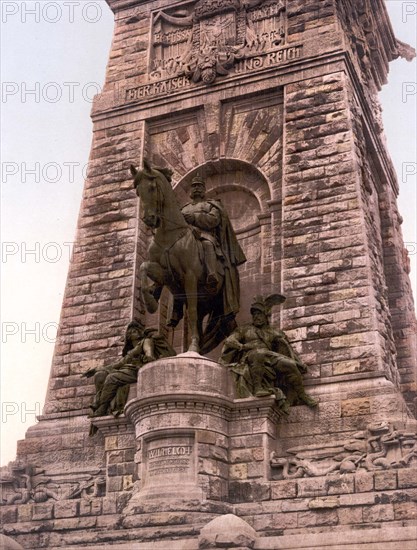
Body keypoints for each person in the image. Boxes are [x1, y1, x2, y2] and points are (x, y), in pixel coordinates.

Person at [220, 295, 318, 412]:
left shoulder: (274, 332)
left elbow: (286, 348)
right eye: (254, 314)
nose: (256, 317)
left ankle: (302, 395)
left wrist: (297, 362)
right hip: (250, 357)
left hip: (269, 357)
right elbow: (230, 341)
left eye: (259, 314)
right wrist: (242, 347)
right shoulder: (244, 329)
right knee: (258, 353)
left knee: (290, 364)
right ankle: (258, 388)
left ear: (266, 316)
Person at [83, 321, 176, 418]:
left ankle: (102, 407)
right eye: (133, 332)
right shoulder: (130, 351)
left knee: (112, 377)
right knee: (100, 375)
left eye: (136, 331)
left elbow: (149, 353)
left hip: (136, 370)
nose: (136, 332)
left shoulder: (145, 341)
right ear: (128, 336)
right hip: (126, 370)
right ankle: (97, 403)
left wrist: (146, 358)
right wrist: (96, 370)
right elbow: (118, 364)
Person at [181, 176, 246, 295]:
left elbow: (213, 220)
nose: (196, 188)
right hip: (184, 237)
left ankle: (212, 274)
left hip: (205, 235)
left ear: (204, 190)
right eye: (194, 186)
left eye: (199, 186)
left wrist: (195, 218)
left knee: (207, 244)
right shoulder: (184, 208)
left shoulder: (211, 205)